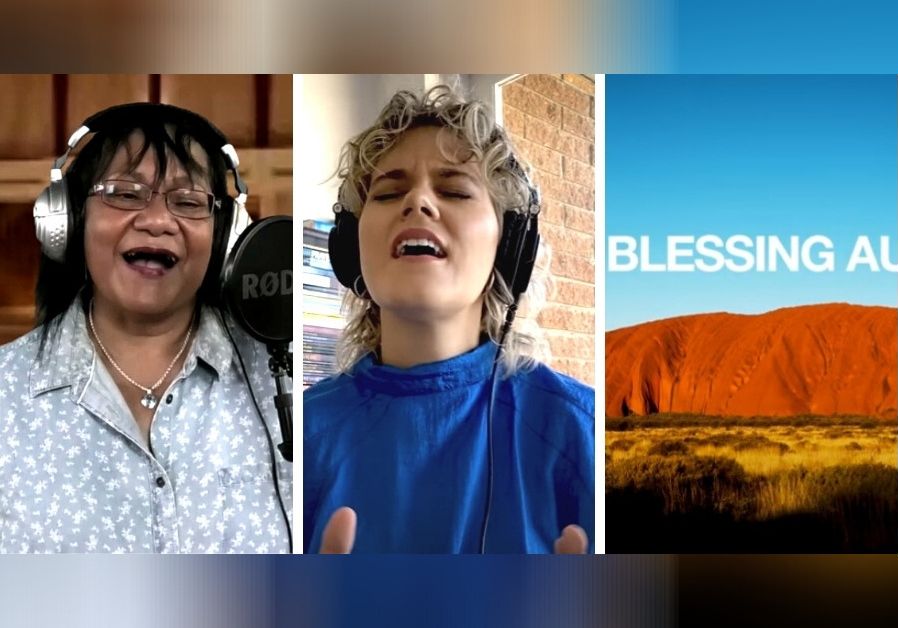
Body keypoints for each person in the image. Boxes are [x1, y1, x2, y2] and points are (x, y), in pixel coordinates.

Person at [303, 86, 595, 554]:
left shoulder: (582, 429)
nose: (417, 202)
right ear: (349, 248)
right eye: (390, 191)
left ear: (511, 245)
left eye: (455, 190)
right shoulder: (298, 435)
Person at [0, 103, 293, 553]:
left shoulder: (285, 385)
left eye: (189, 201)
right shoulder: (7, 392)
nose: (157, 221)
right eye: (125, 193)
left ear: (225, 235)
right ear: (71, 218)